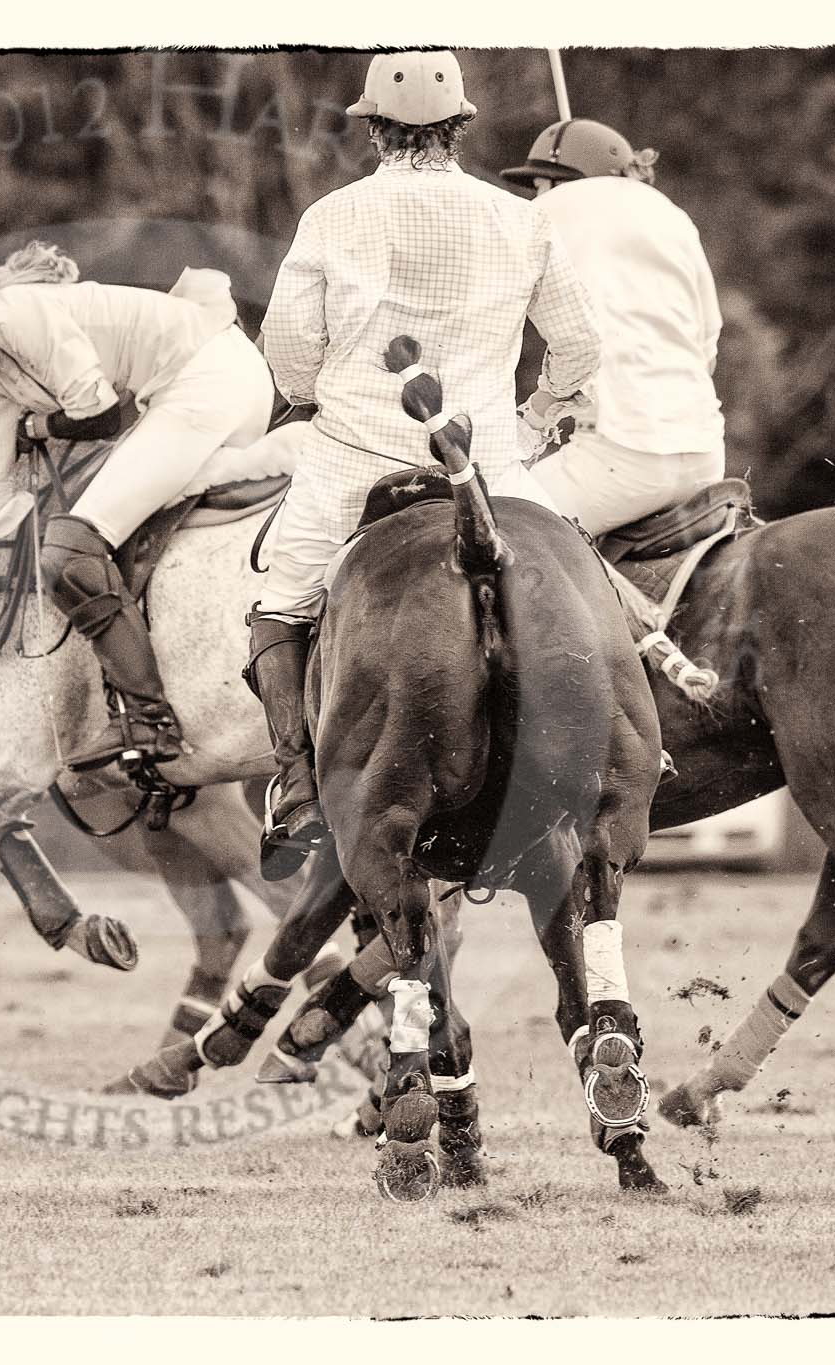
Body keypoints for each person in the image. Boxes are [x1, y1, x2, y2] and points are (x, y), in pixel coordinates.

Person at [249, 50, 601, 877]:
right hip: (483, 468)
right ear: (460, 126)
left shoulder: (333, 217)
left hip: (353, 460)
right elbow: (580, 344)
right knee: (581, 586)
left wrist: (309, 389)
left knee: (279, 599)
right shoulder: (522, 219)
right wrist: (536, 414)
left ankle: (297, 785)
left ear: (372, 126)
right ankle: (623, 748)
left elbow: (290, 352)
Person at [0, 233, 276, 771]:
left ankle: (149, 719)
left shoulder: (11, 315)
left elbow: (99, 413)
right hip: (187, 389)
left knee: (67, 551)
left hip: (208, 380)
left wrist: (36, 424)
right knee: (99, 535)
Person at [501, 120, 725, 535]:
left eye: (539, 185)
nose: (536, 195)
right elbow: (708, 343)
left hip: (620, 462)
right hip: (706, 459)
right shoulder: (672, 214)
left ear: (558, 178)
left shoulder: (547, 210)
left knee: (494, 527)